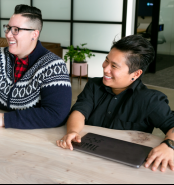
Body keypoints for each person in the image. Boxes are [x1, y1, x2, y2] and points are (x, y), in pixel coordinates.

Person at [56, 35, 174, 172]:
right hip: (82, 159)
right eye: (107, 61)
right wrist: (72, 132)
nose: (105, 68)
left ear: (136, 74)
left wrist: (169, 145)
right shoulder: (94, 86)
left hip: (123, 168)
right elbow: (80, 111)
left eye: (114, 66)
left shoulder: (150, 100)